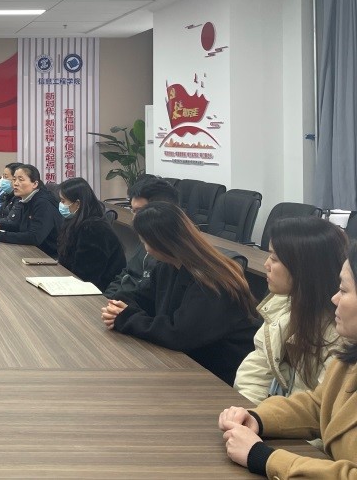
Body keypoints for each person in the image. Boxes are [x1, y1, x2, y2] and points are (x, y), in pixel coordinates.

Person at [219, 243, 357, 477]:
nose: (334, 299)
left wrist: (262, 457)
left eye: (343, 290)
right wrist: (258, 418)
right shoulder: (349, 358)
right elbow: (318, 406)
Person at [101, 201, 259, 384]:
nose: (144, 248)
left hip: (220, 374)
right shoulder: (167, 267)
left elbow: (179, 335)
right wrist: (119, 306)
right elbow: (140, 298)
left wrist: (126, 317)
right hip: (189, 360)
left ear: (161, 243)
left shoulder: (211, 281)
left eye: (144, 241)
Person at [234, 217, 346, 404]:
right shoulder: (281, 306)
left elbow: (317, 410)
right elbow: (256, 371)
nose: (266, 265)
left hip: (300, 421)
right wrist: (249, 412)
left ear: (304, 268)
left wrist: (263, 418)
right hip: (274, 415)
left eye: (274, 258)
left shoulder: (338, 334)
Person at [103, 176, 179, 298]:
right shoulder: (146, 238)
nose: (134, 219)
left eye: (140, 211)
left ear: (161, 211)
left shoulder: (171, 258)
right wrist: (106, 299)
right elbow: (126, 274)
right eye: (133, 211)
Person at [55, 177, 125, 291]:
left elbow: (86, 275)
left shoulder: (94, 229)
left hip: (102, 290)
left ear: (78, 203)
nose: (61, 205)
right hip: (77, 283)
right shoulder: (73, 221)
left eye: (63, 201)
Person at [0, 164, 60, 256]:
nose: (15, 183)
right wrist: (0, 226)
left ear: (35, 184)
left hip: (48, 256)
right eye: (14, 179)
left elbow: (34, 237)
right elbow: (20, 226)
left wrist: (0, 235)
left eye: (21, 180)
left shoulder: (43, 203)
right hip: (32, 250)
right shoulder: (26, 199)